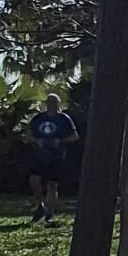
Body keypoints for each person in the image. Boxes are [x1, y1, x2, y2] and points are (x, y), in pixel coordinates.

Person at [28, 92, 80, 223]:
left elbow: (74, 136)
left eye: (54, 102)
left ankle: (49, 213)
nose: (51, 105)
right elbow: (28, 135)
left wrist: (60, 141)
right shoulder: (38, 118)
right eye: (49, 102)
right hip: (40, 155)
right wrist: (37, 141)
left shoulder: (64, 119)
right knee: (34, 180)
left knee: (52, 185)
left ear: (58, 104)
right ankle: (40, 205)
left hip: (56, 156)